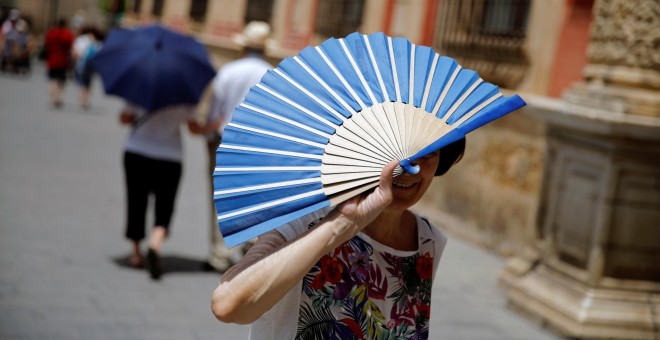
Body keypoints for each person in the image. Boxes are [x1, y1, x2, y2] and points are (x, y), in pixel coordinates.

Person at [211, 138, 466, 339]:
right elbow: (229, 305)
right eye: (396, 151)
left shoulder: (428, 241)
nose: (410, 168)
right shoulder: (303, 218)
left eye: (429, 152)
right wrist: (344, 223)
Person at [187, 21, 273, 272]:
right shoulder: (272, 74)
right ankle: (251, 244)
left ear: (244, 46)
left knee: (220, 198)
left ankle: (219, 255)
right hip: (258, 146)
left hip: (225, 141)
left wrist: (206, 133)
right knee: (254, 195)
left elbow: (214, 113)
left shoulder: (229, 71)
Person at [119, 103, 195, 280]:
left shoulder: (139, 85)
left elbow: (123, 118)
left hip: (137, 150)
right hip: (170, 155)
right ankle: (155, 243)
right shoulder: (184, 94)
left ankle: (136, 254)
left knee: (136, 200)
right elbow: (194, 128)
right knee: (165, 204)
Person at [43, 18, 74, 108]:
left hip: (51, 60)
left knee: (52, 80)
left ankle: (53, 98)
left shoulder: (51, 33)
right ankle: (58, 98)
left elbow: (46, 45)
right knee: (61, 81)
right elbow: (71, 46)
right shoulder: (67, 34)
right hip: (63, 61)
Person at [72, 26, 102, 109]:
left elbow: (75, 52)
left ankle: (83, 99)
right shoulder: (96, 42)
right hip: (90, 65)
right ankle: (85, 100)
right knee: (87, 83)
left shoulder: (81, 40)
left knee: (82, 82)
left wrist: (77, 60)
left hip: (81, 64)